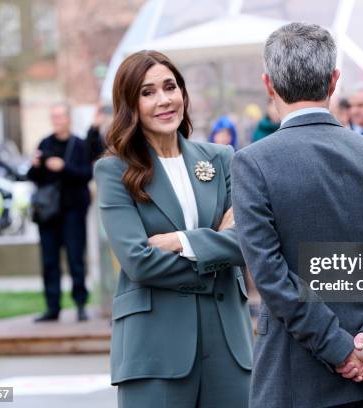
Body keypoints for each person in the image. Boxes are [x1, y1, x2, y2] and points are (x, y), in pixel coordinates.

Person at [231, 23, 363, 408]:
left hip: (294, 379)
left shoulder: (253, 163)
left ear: (268, 84)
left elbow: (271, 277)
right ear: (333, 82)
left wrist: (341, 349)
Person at [94, 50, 252, 408]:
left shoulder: (221, 158)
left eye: (170, 87)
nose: (164, 100)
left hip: (229, 344)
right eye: (147, 92)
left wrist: (181, 241)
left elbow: (247, 240)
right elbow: (138, 261)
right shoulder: (114, 171)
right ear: (129, 104)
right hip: (154, 349)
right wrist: (216, 250)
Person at [27, 104, 92, 322]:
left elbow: (86, 175)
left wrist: (63, 167)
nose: (56, 120)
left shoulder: (79, 144)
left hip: (73, 211)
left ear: (68, 119)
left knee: (76, 259)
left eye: (60, 116)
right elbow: (34, 177)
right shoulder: (45, 143)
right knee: (49, 262)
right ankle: (52, 307)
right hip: (48, 214)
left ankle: (81, 305)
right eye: (53, 116)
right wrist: (36, 166)